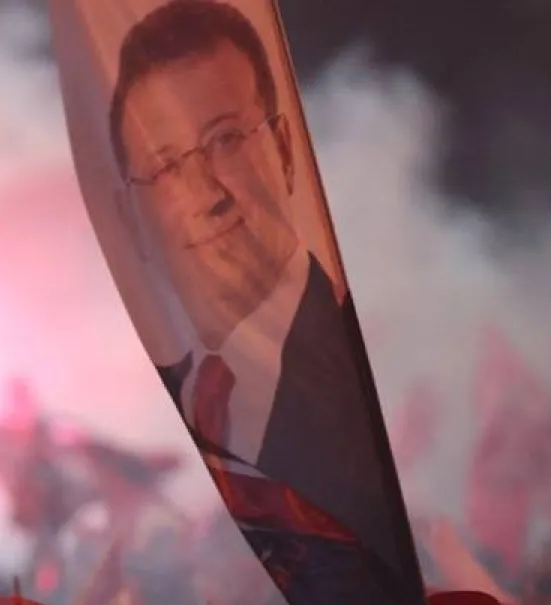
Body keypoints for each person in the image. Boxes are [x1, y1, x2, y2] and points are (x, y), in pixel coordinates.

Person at [107, 0, 391, 559]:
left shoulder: (370, 369)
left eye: (226, 141)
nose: (206, 193)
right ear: (130, 223)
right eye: (165, 167)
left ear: (286, 151)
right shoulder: (146, 432)